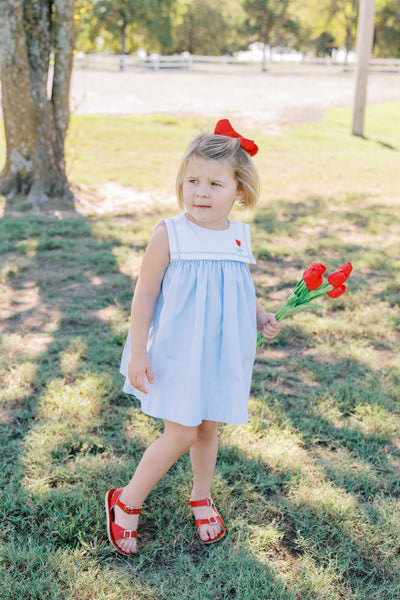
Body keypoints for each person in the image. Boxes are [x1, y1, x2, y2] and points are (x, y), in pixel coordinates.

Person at [105, 118, 282, 556]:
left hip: (218, 349)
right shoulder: (170, 233)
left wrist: (260, 315)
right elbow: (145, 292)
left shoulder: (238, 236)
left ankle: (201, 496)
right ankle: (125, 501)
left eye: (215, 184)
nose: (201, 192)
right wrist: (139, 351)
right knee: (181, 431)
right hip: (177, 350)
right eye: (193, 181)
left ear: (239, 190)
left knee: (207, 428)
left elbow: (237, 286)